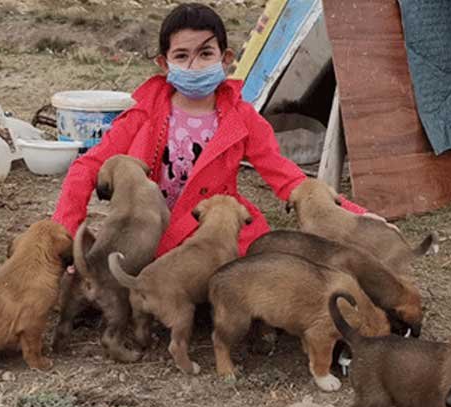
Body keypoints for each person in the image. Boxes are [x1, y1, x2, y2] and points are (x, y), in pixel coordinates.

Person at [52, 2, 367, 259]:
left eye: (205, 54)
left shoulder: (241, 118)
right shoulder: (143, 112)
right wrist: (68, 237)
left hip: (215, 226)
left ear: (225, 59)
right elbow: (87, 167)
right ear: (164, 64)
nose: (194, 66)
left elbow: (289, 179)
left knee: (268, 261)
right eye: (181, 56)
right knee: (118, 270)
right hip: (151, 229)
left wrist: (360, 218)